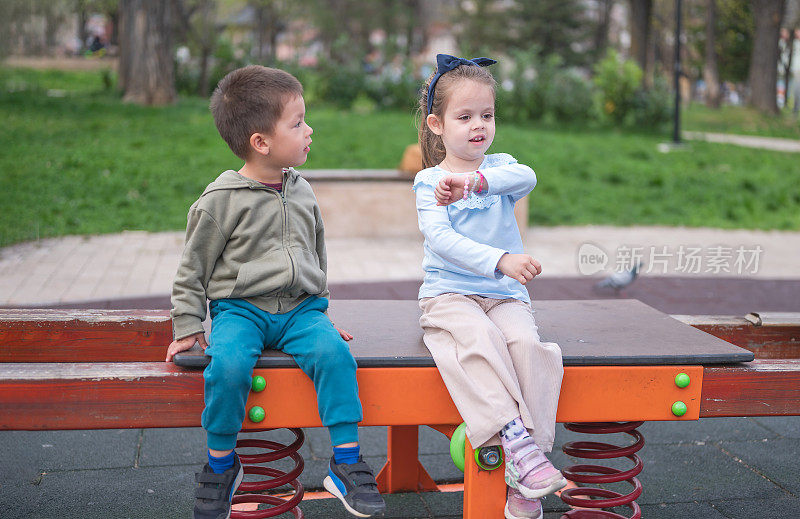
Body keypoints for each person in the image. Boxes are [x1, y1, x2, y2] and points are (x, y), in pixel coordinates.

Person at [166, 65, 386, 519]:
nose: (309, 130)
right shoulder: (219, 200)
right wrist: (188, 325)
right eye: (298, 122)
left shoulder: (302, 191)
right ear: (260, 142)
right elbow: (192, 269)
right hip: (240, 312)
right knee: (225, 365)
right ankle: (220, 465)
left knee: (335, 357)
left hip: (302, 312)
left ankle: (345, 462)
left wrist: (321, 312)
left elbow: (316, 255)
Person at [413, 54, 566, 519]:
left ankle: (527, 473)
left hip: (503, 296)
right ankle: (513, 437)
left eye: (487, 115)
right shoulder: (429, 182)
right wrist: (501, 259)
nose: (478, 125)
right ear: (437, 124)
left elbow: (528, 177)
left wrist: (476, 182)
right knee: (477, 340)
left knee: (527, 344)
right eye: (465, 117)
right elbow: (441, 240)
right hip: (448, 295)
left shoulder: (498, 169)